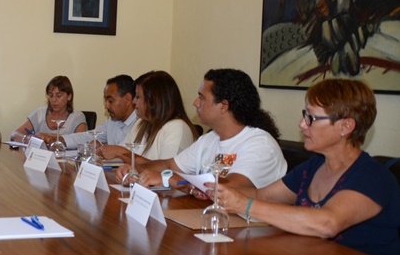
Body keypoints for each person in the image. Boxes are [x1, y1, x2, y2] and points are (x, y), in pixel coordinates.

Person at [213, 79, 400, 255]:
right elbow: (262, 196)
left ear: (346, 126)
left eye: (311, 118)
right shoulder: (314, 167)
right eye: (305, 115)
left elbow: (326, 223)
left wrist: (244, 205)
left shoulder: (372, 178)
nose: (302, 124)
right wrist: (211, 187)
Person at [119, 68, 286, 192]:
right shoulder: (209, 139)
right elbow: (170, 164)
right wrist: (137, 169)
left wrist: (166, 178)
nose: (196, 103)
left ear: (223, 106)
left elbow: (229, 186)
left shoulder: (260, 145)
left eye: (202, 98)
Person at [101, 70, 196, 163]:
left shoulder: (176, 127)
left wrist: (120, 152)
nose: (134, 101)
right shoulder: (141, 123)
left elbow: (167, 169)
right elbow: (121, 151)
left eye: (138, 97)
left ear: (153, 100)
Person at [59, 75, 138, 154]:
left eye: (110, 101)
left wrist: (103, 148)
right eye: (105, 100)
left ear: (127, 99)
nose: (106, 106)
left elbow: (129, 152)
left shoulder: (141, 123)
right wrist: (61, 139)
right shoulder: (112, 122)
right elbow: (88, 136)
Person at [11, 75, 87, 143]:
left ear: (69, 96)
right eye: (51, 95)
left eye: (59, 96)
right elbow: (14, 134)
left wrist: (53, 138)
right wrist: (28, 139)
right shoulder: (40, 113)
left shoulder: (77, 117)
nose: (54, 100)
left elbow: (82, 141)